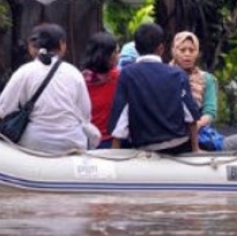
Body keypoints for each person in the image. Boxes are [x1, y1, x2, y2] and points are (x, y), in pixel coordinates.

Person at [0, 23, 95, 152]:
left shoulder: (25, 71)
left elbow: (1, 108)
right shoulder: (74, 73)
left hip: (35, 141)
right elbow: (85, 114)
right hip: (71, 141)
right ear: (62, 45)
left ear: (33, 46)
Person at [107, 23, 201, 154]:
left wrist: (114, 153)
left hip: (145, 147)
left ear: (136, 48)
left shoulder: (128, 74)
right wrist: (196, 148)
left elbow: (120, 118)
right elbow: (191, 114)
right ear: (161, 48)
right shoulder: (178, 74)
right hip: (178, 145)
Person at [169, 31, 225, 151]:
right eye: (182, 50)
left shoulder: (207, 79)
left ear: (197, 53)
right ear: (174, 51)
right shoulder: (164, 75)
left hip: (199, 132)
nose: (187, 54)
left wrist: (194, 127)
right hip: (168, 132)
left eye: (192, 50)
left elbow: (210, 112)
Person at [82, 31, 120, 149]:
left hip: (86, 140)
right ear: (109, 56)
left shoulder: (80, 79)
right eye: (116, 52)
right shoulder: (118, 77)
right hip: (112, 142)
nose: (119, 55)